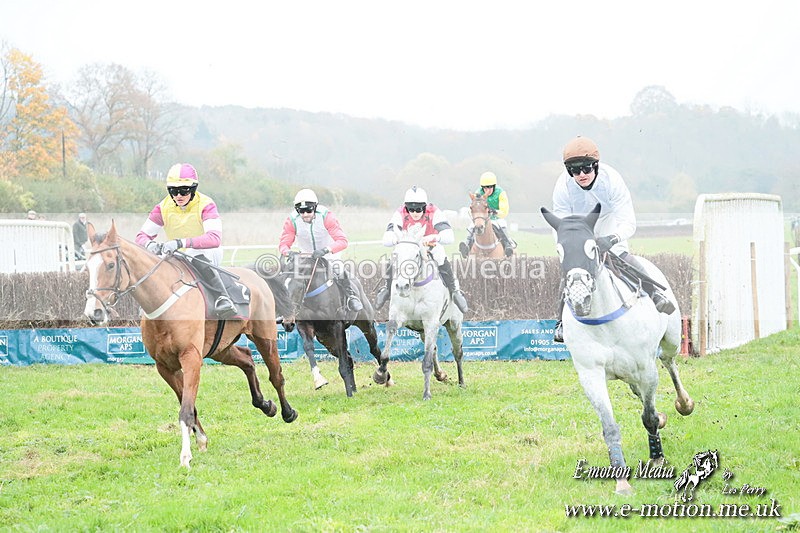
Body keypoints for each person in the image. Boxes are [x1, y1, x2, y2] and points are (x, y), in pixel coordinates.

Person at [551, 136, 675, 343]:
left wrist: (612, 238)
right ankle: (560, 322)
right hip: (578, 227)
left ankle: (655, 294)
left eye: (586, 168)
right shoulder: (562, 186)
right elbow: (561, 225)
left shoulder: (612, 180)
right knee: (573, 268)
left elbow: (628, 223)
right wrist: (567, 248)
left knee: (620, 256)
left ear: (596, 166)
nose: (581, 174)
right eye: (574, 170)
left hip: (609, 221)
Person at [135, 163, 236, 319]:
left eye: (184, 190)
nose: (178, 196)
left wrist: (181, 243)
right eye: (173, 191)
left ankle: (222, 297)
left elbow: (214, 238)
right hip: (177, 256)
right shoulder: (162, 207)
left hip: (207, 252)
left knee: (193, 253)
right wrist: (150, 244)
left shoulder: (206, 204)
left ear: (193, 188)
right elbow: (141, 236)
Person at [375, 186, 469, 313]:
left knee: (440, 255)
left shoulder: (434, 212)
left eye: (418, 209)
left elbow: (450, 237)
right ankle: (387, 289)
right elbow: (386, 238)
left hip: (429, 245)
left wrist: (434, 236)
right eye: (411, 209)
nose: (414, 213)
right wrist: (396, 240)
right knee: (395, 256)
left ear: (424, 207)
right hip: (409, 246)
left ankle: (454, 291)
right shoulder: (400, 212)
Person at [278, 188, 363, 312]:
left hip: (329, 254)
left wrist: (325, 250)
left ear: (315, 207)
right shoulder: (292, 220)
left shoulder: (326, 216)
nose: (305, 214)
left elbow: (342, 241)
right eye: (301, 211)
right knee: (287, 275)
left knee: (338, 268)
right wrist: (288, 252)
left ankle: (351, 296)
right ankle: (284, 306)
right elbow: (283, 244)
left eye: (308, 210)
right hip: (306, 257)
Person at [459, 171, 515, 258]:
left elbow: (504, 211)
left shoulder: (501, 193)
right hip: (483, 218)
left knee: (501, 224)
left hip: (496, 218)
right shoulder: (478, 192)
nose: (486, 190)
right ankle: (466, 245)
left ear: (494, 186)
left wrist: (495, 212)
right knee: (471, 226)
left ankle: (508, 245)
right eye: (484, 187)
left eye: (489, 187)